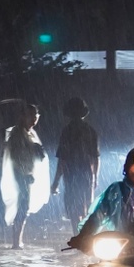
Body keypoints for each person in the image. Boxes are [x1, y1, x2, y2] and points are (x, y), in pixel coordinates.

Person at [1, 103, 49, 249]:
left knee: (23, 207)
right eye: (30, 115)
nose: (34, 119)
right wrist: (22, 176)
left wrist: (36, 151)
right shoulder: (17, 134)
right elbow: (15, 157)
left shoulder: (28, 133)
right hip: (20, 175)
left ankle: (17, 241)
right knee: (22, 208)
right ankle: (16, 242)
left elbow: (31, 154)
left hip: (26, 174)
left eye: (36, 116)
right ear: (22, 116)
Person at [51, 97, 100, 235]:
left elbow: (62, 159)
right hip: (86, 173)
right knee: (86, 205)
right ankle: (86, 236)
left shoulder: (67, 131)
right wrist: (95, 177)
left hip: (71, 173)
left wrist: (55, 182)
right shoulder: (91, 131)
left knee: (73, 208)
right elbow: (95, 158)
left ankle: (78, 235)